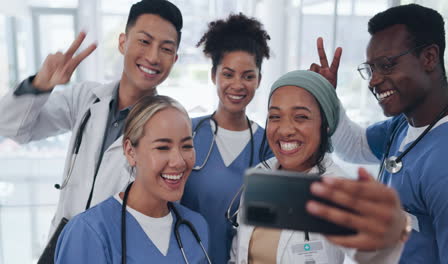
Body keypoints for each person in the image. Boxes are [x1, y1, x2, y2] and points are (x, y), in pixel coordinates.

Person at [0, 0, 182, 237]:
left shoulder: (169, 126)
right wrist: (39, 86)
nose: (153, 56)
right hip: (61, 246)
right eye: (144, 41)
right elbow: (12, 128)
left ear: (175, 59)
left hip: (115, 252)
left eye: (166, 49)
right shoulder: (85, 98)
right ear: (122, 42)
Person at [310, 4, 448, 264]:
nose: (373, 81)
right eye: (371, 69)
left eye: (386, 65)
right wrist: (328, 95)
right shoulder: (405, 124)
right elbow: (354, 146)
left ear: (429, 58)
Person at [230, 70, 407, 264]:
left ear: (326, 125)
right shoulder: (260, 177)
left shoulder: (339, 191)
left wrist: (385, 243)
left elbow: (371, 254)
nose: (285, 130)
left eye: (301, 117)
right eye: (275, 116)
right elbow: (239, 253)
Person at [54, 95, 211, 263]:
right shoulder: (88, 232)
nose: (179, 161)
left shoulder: (195, 227)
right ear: (130, 151)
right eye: (162, 147)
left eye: (187, 146)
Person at [180, 13, 273, 263]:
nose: (237, 85)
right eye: (228, 74)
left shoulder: (268, 145)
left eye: (248, 76)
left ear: (259, 80)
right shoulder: (186, 132)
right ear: (214, 76)